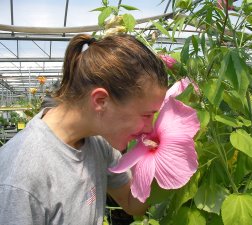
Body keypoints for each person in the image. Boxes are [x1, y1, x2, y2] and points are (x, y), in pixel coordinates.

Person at [0, 33, 168, 225]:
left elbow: (133, 204)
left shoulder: (99, 142)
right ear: (100, 101)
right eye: (146, 115)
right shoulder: (19, 179)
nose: (149, 128)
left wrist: (170, 160)